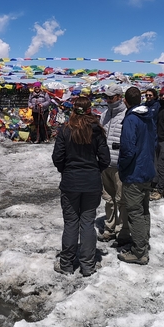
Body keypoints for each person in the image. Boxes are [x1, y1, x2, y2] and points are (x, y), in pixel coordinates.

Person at [52, 96, 110, 277]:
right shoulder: (97, 131)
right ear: (89, 109)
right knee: (87, 223)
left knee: (71, 223)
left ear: (73, 109)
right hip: (91, 183)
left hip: (70, 182)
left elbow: (57, 157)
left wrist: (65, 170)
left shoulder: (65, 130)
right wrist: (94, 171)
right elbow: (105, 159)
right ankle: (88, 265)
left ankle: (66, 263)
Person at [117, 86, 157, 265]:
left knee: (135, 212)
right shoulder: (148, 117)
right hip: (147, 169)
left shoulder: (131, 120)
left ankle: (139, 252)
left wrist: (122, 167)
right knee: (144, 209)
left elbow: (127, 149)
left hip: (134, 172)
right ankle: (144, 243)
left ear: (125, 101)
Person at [97, 84, 129, 243]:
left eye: (111, 97)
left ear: (119, 97)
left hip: (120, 165)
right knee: (108, 199)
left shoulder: (126, 115)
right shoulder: (104, 115)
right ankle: (109, 228)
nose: (108, 100)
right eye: (106, 97)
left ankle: (122, 231)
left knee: (121, 199)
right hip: (105, 164)